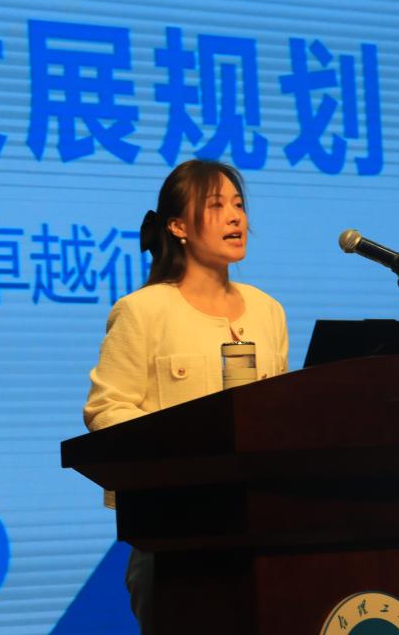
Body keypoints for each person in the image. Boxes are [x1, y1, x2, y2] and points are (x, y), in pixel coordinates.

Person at [82, 159, 289, 632]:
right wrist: (177, 451)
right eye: (216, 206)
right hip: (175, 532)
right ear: (177, 226)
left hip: (266, 528)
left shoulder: (268, 311)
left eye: (238, 205)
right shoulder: (143, 311)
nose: (236, 217)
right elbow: (106, 410)